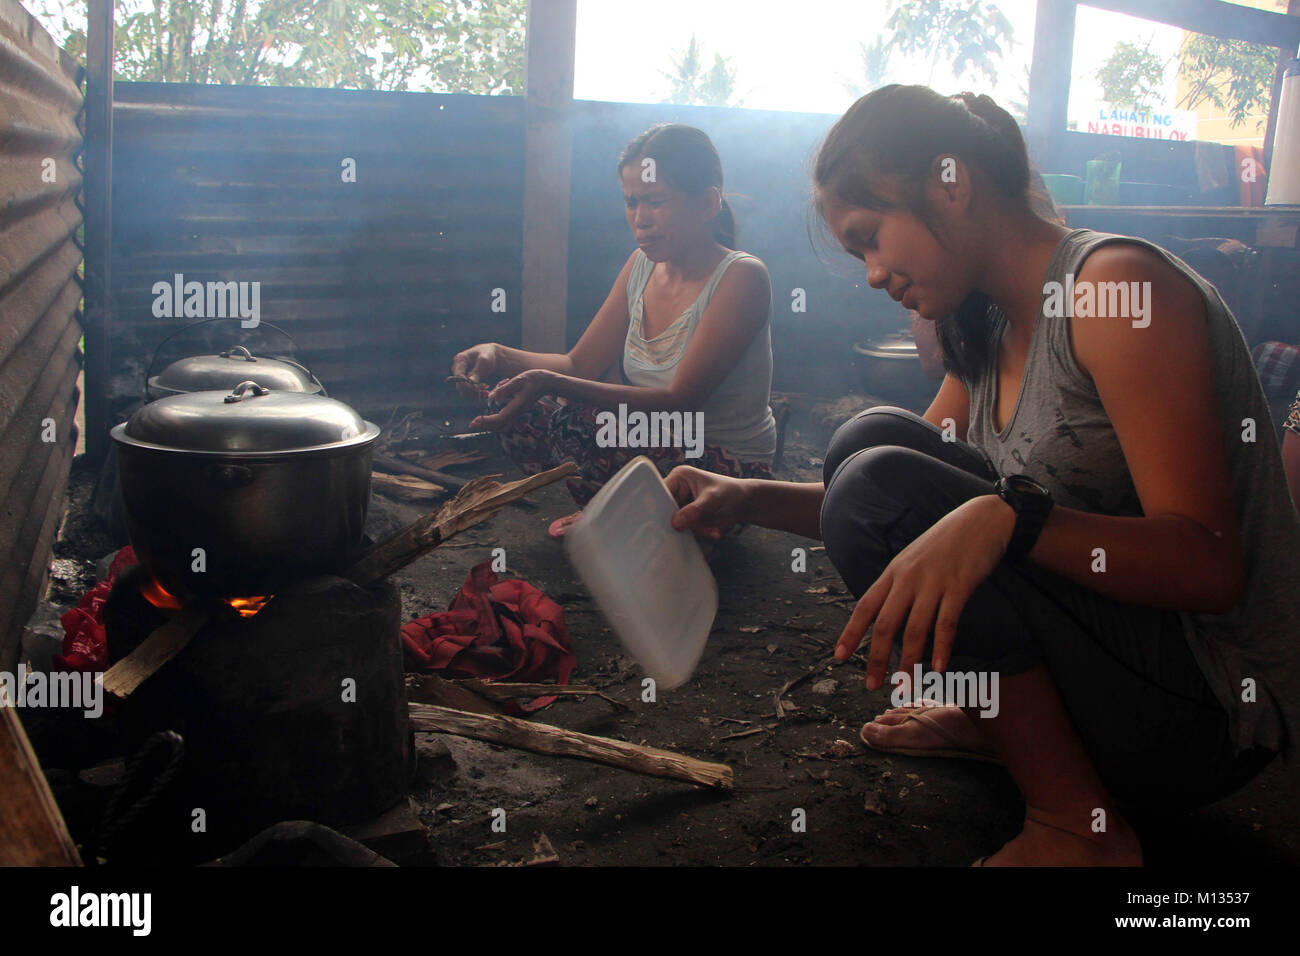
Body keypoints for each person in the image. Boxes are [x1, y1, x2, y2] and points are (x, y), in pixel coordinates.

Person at [665, 85, 1299, 866]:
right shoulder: (988, 321)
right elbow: (899, 502)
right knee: (866, 441)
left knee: (892, 482)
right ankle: (994, 720)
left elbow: (1208, 565)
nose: (870, 274)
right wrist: (749, 497)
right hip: (1115, 673)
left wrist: (1011, 518)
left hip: (1201, 712)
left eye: (870, 238)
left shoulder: (1115, 294)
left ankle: (1078, 825)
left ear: (950, 184)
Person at [451, 124, 776, 534]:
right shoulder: (641, 266)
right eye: (631, 202)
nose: (641, 219)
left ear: (707, 203)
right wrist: (499, 356)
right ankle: (623, 520)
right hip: (650, 443)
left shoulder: (741, 277)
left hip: (721, 469)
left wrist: (555, 383)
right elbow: (577, 363)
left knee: (577, 419)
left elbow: (680, 401)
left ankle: (642, 524)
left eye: (655, 201)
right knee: (516, 403)